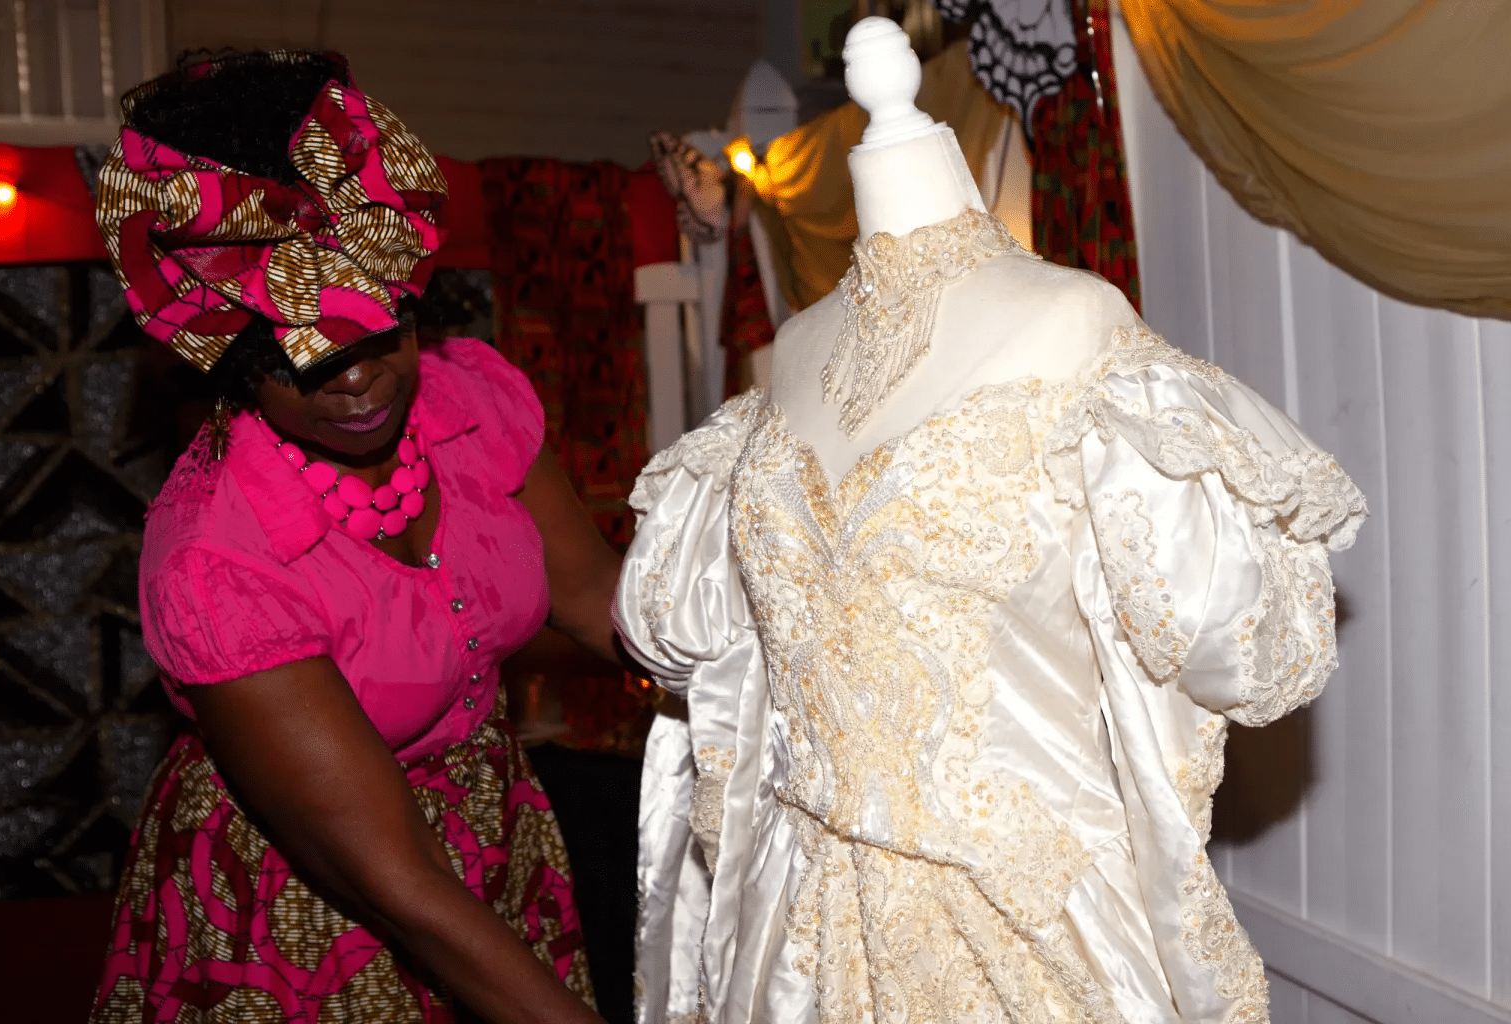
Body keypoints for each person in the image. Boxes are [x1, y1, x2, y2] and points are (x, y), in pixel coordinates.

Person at [615, 19, 1369, 1024]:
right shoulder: (784, 365)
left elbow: (1248, 652)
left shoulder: (1071, 332)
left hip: (1018, 933)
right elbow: (683, 637)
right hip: (795, 927)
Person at [90, 50, 616, 1023]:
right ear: (237, 367)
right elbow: (401, 883)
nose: (359, 383)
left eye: (380, 336)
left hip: (491, 840)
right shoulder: (217, 564)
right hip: (311, 915)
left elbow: (603, 605)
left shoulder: (470, 403)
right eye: (308, 364)